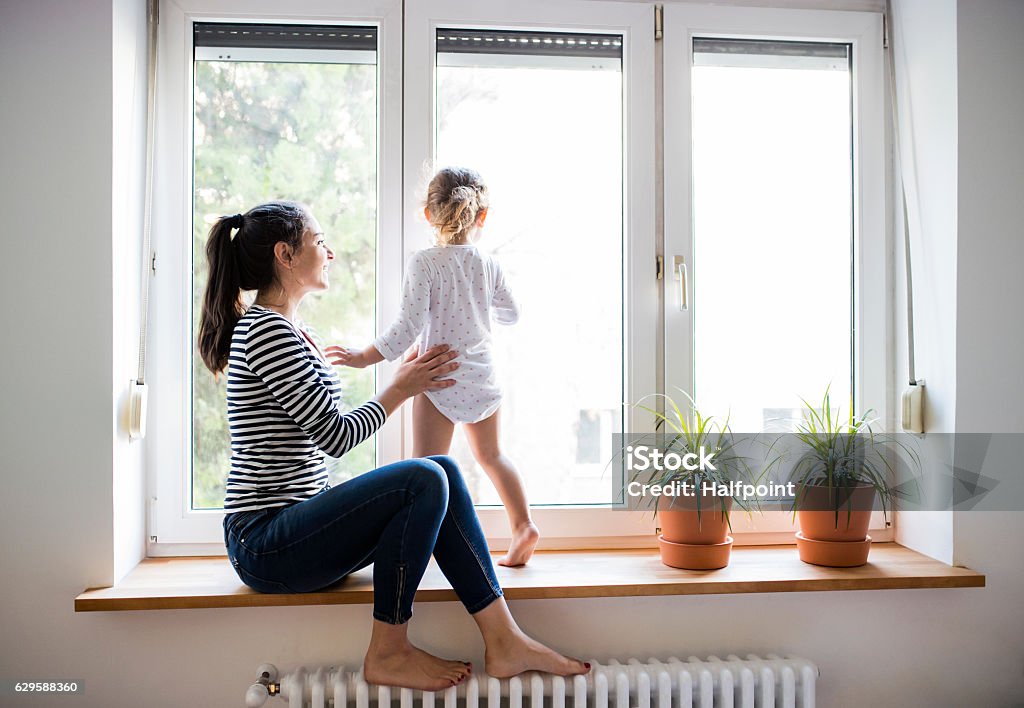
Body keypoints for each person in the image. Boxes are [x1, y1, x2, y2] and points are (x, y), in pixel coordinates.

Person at [197, 200, 589, 691]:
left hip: (294, 528)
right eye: (320, 242)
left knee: (440, 468)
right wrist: (400, 388)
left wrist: (402, 379)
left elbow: (319, 424)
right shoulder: (267, 332)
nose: (330, 252)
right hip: (264, 541)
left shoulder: (293, 330)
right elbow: (335, 435)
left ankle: (504, 638)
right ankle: (388, 650)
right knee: (423, 476)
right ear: (286, 255)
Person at [335, 168, 539, 567]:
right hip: (482, 376)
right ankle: (523, 526)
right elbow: (512, 314)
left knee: (424, 470)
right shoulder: (487, 263)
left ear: (427, 215)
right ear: (482, 217)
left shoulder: (425, 263)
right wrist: (478, 308)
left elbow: (406, 327)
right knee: (493, 456)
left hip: (437, 377)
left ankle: (421, 546)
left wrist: (363, 357)